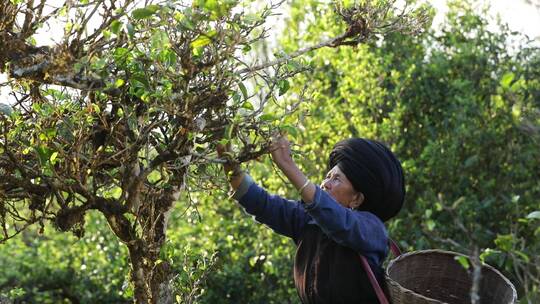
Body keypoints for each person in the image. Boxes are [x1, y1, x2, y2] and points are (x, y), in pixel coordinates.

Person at [219, 134, 405, 303]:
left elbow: (339, 221)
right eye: (327, 176)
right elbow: (261, 203)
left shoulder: (372, 229)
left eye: (336, 179)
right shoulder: (307, 220)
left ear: (356, 199)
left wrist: (287, 164)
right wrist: (228, 159)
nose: (325, 184)